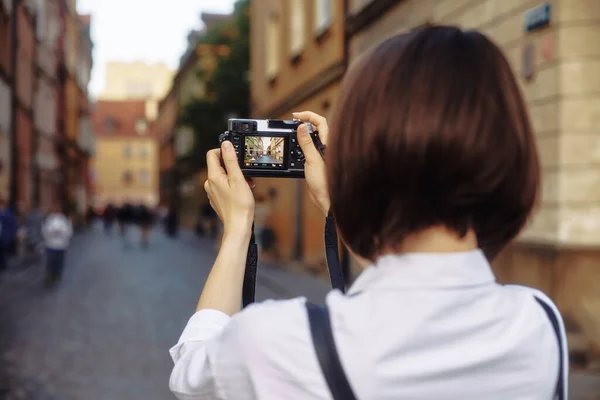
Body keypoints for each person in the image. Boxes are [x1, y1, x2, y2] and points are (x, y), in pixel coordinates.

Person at [169, 27, 566, 399]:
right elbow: (410, 282)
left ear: (363, 160)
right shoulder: (539, 325)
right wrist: (340, 206)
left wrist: (238, 228)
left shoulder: (282, 343)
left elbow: (192, 378)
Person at [41, 206, 73, 285]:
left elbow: (69, 231)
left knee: (59, 261)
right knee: (51, 261)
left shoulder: (65, 220)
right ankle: (50, 274)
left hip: (61, 244)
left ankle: (57, 274)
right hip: (51, 244)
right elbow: (44, 230)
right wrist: (51, 234)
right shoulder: (49, 220)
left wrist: (61, 233)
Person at [0, 198, 18, 273]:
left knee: (2, 253)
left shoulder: (8, 215)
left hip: (4, 237)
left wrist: (11, 236)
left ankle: (3, 266)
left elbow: (13, 226)